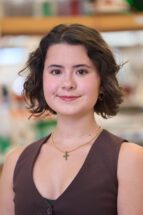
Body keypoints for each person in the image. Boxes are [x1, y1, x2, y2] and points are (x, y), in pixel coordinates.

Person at [0, 24, 143, 215]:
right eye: (56, 71)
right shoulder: (15, 162)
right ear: (42, 80)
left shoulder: (129, 159)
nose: (67, 83)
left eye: (81, 71)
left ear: (102, 82)